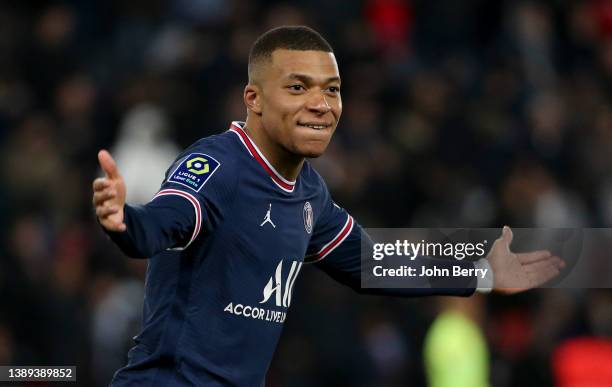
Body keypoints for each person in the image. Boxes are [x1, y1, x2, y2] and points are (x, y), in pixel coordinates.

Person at [92, 26, 564, 386]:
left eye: (332, 89)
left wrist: (479, 273)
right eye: (298, 87)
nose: (321, 103)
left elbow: (372, 262)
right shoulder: (218, 166)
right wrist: (125, 220)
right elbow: (166, 220)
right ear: (253, 99)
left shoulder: (310, 194)